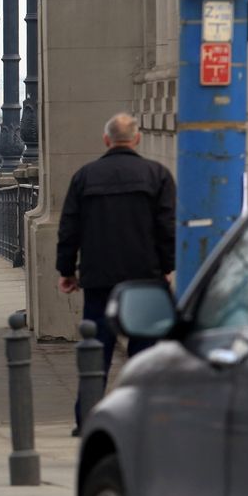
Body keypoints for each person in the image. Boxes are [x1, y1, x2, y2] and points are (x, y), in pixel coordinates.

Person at [57, 111, 176, 430]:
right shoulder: (157, 175)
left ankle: (88, 420)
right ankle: (144, 417)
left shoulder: (85, 176)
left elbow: (69, 228)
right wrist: (167, 267)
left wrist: (66, 270)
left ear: (106, 140)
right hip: (145, 279)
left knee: (96, 352)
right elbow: (166, 228)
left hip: (99, 279)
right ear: (137, 139)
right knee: (145, 354)